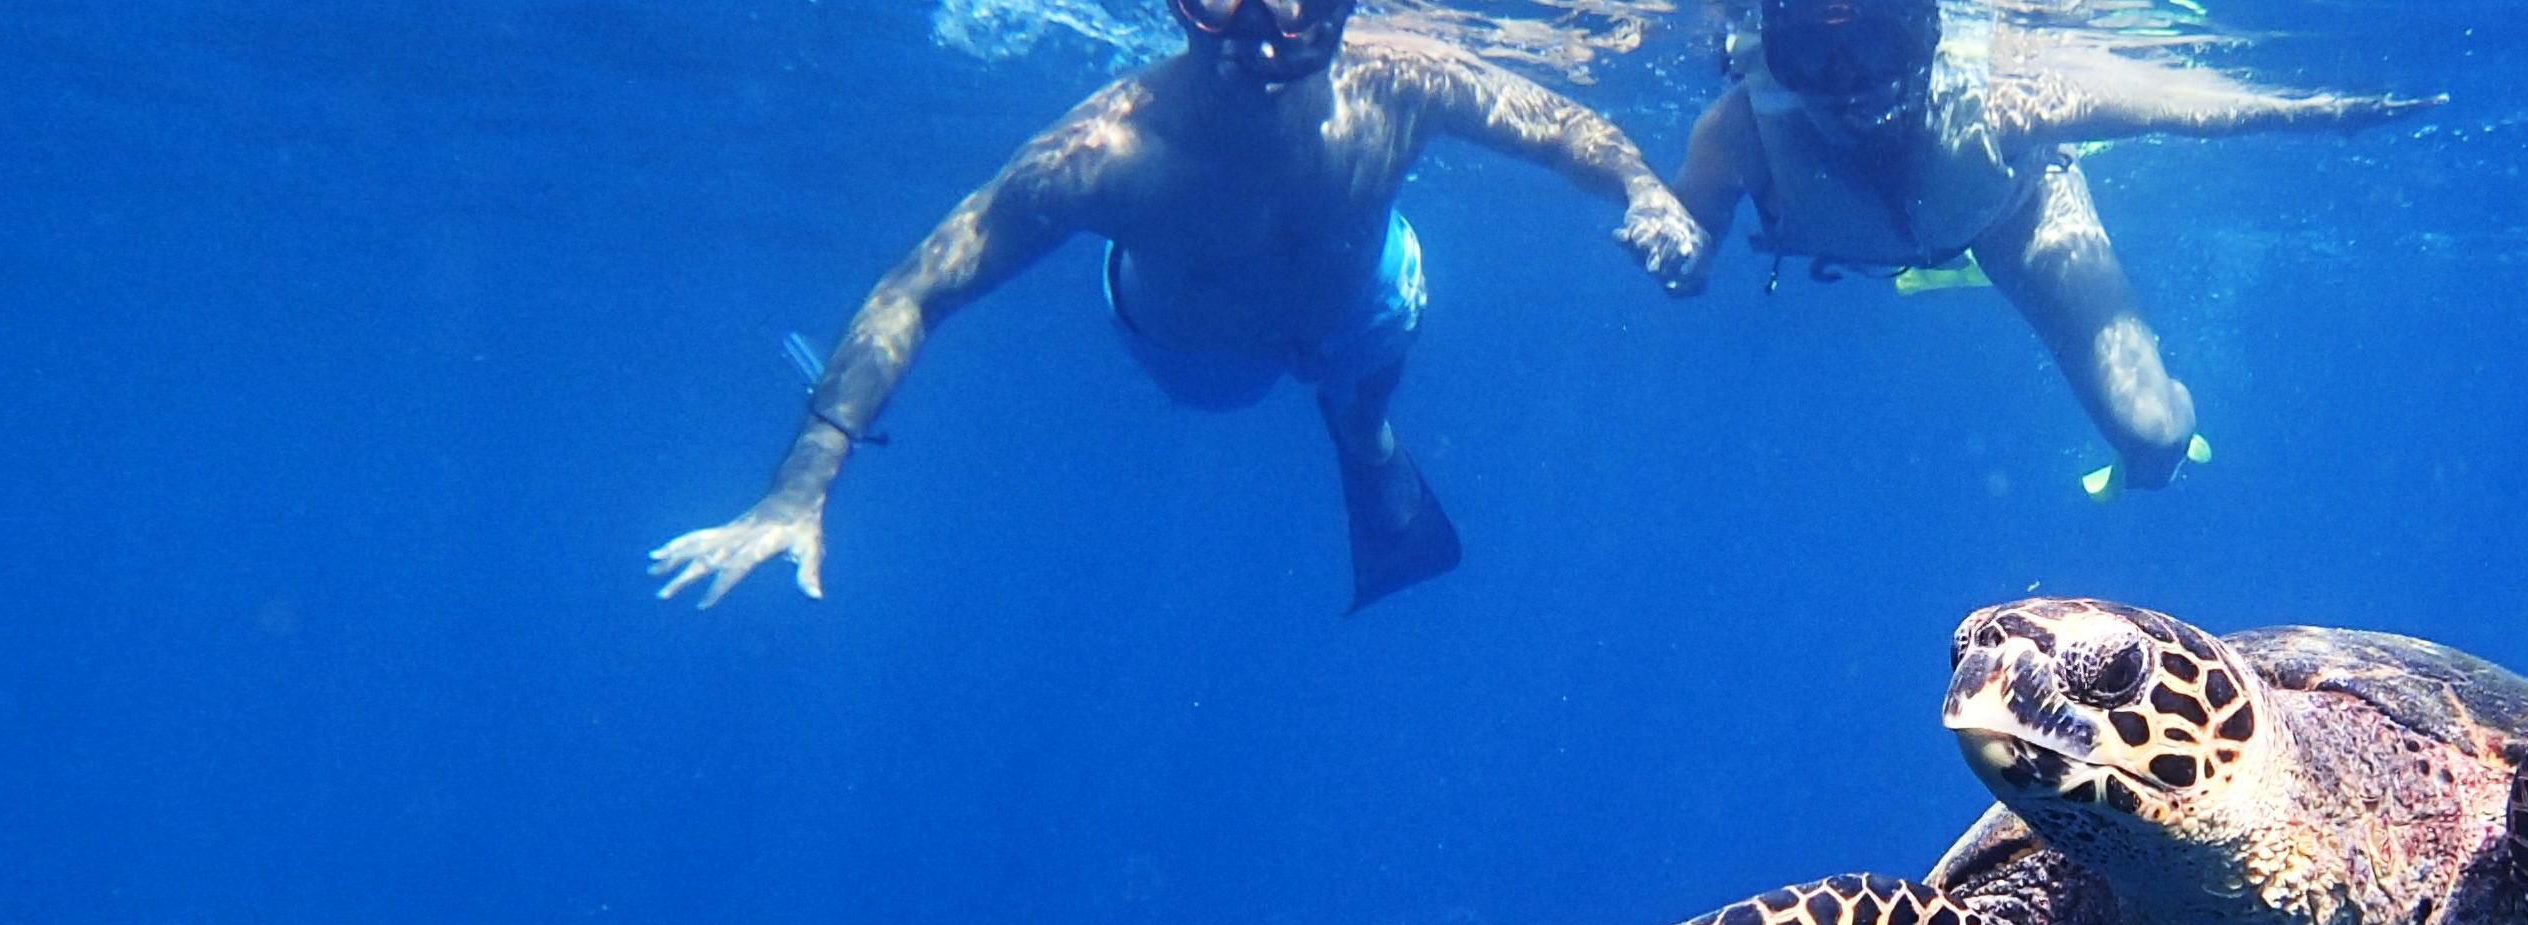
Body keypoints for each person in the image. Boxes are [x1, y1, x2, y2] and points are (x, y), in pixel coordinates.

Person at [652, 0, 1711, 612]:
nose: (1260, 34)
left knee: (1387, 313)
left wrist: (1647, 191)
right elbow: (916, 288)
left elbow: (1561, 124)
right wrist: (798, 488)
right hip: (1194, 354)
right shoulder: (1102, 156)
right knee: (1249, 381)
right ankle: (1351, 417)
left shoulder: (1406, 82)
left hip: (1361, 294)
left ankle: (1362, 430)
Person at [1669, 0, 2435, 495]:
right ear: (1770, 53)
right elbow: (1688, 233)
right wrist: (1674, 248)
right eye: (1811, 56)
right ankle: (1940, 264)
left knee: (2153, 438)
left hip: (2019, 215)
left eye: (1881, 44)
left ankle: (2169, 441)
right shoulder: (1736, 131)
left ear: (1930, 34)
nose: (1851, 84)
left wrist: (2321, 112)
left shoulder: (1999, 104)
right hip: (1902, 237)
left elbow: (2187, 111)